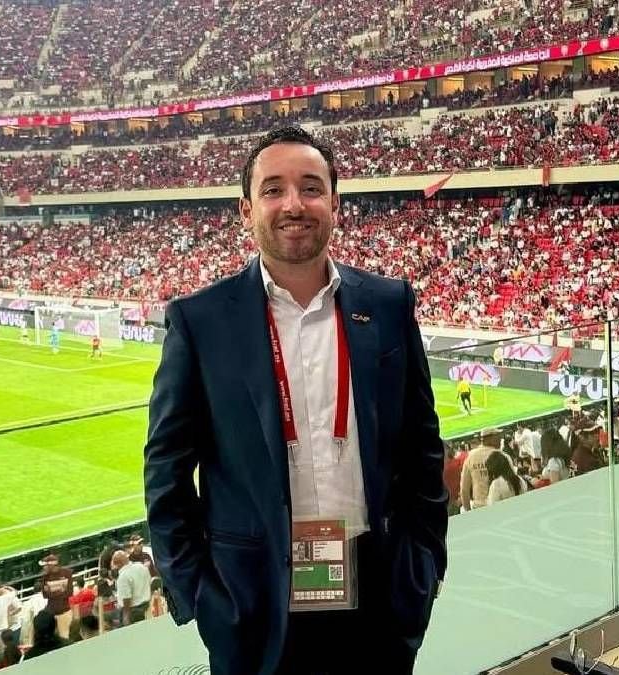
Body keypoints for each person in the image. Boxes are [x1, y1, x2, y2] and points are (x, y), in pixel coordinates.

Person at [144, 126, 447, 674]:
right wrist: (199, 595)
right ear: (246, 210)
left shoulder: (388, 303)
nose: (294, 204)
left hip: (379, 589)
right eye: (273, 189)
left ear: (335, 202)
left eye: (311, 188)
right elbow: (166, 471)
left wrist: (424, 567)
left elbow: (423, 450)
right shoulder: (199, 320)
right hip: (252, 601)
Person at [460, 427, 502, 510]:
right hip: (500, 504)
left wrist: (468, 511)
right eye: (497, 436)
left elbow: (464, 489)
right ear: (489, 438)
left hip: (480, 507)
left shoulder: (471, 457)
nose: (500, 439)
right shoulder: (502, 456)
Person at [112, 549, 152, 625]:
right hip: (147, 606)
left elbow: (126, 599)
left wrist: (126, 618)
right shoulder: (141, 566)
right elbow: (150, 582)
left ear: (117, 564)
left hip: (133, 612)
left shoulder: (123, 577)